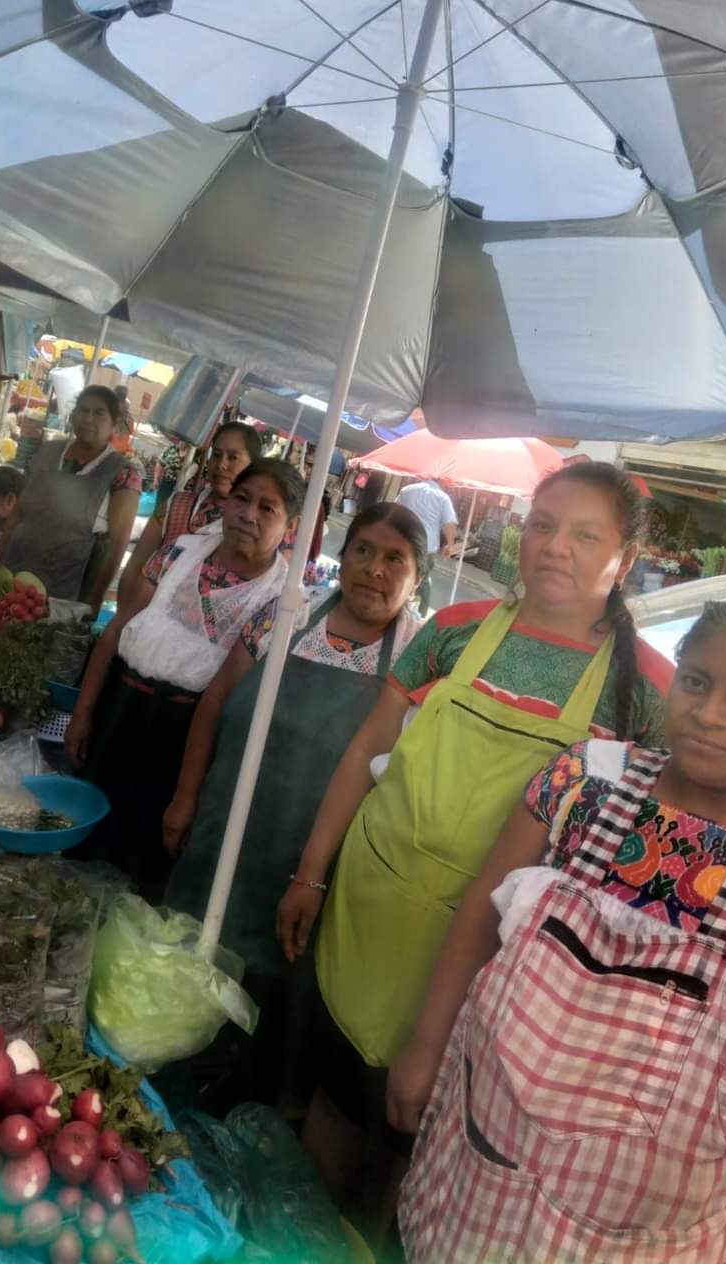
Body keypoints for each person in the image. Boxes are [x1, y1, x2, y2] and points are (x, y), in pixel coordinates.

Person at [274, 461, 673, 1230]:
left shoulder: (647, 691)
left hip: (496, 962)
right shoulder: (454, 633)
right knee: (333, 1106)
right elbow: (364, 754)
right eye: (545, 525)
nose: (554, 547)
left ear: (624, 559)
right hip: (369, 914)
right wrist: (312, 874)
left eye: (585, 536)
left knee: (426, 1148)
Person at [393, 597, 726, 1264]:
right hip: (487, 1155)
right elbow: (479, 911)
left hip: (655, 1230)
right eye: (696, 681)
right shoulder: (584, 780)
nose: (708, 712)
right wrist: (425, 1042)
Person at [162, 504, 427, 1100]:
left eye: (395, 560)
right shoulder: (285, 617)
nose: (373, 570)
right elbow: (214, 704)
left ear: (417, 579)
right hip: (222, 831)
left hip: (311, 870)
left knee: (267, 1010)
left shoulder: (416, 663)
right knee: (186, 969)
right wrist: (183, 798)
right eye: (362, 551)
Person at [64, 459, 305, 896]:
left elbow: (217, 700)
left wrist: (186, 797)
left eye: (268, 509)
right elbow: (118, 628)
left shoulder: (279, 602)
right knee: (82, 832)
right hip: (118, 710)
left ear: (292, 526)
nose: (248, 514)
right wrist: (82, 712)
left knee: (137, 864)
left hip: (180, 742)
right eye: (242, 499)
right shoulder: (181, 552)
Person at [0, 385, 140, 612]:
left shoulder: (122, 474)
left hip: (62, 592)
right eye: (82, 410)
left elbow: (117, 545)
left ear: (114, 423)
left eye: (99, 413)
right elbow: (17, 514)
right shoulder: (46, 452)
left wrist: (93, 603)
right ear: (72, 415)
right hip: (12, 574)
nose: (88, 418)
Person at [119, 422, 264, 611]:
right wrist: (121, 618)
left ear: (253, 466)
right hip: (145, 622)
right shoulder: (175, 504)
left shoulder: (250, 528)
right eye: (217, 455)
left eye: (233, 457)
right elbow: (136, 564)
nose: (221, 465)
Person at [396, 477, 457, 615]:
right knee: (422, 582)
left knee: (398, 574)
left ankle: (395, 606)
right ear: (442, 481)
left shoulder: (408, 490)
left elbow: (395, 509)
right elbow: (450, 524)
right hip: (425, 547)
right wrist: (450, 545)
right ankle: (420, 616)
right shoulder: (443, 498)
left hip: (403, 541)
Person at [111, 385, 135, 454]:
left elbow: (130, 431)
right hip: (118, 452)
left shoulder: (128, 418)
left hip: (118, 452)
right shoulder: (129, 417)